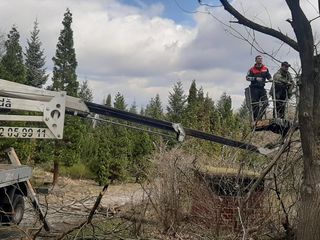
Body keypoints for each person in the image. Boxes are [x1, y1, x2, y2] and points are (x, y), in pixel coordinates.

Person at [246, 55, 272, 121]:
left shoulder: (265, 68)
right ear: (256, 60)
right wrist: (255, 78)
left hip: (262, 88)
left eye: (261, 59)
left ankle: (259, 117)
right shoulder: (252, 69)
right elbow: (247, 78)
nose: (260, 60)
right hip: (254, 89)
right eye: (258, 59)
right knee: (255, 105)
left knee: (266, 103)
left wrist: (271, 79)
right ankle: (255, 119)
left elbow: (269, 76)